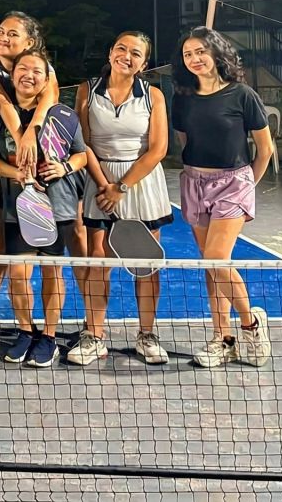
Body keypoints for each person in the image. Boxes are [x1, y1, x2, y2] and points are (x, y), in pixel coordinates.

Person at [0, 49, 102, 367]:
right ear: (13, 75)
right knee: (19, 273)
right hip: (18, 207)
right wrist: (16, 173)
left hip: (58, 206)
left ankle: (48, 336)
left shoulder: (63, 115)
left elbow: (81, 155)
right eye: (23, 68)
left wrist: (64, 168)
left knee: (52, 270)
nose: (29, 75)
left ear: (47, 80)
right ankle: (25, 331)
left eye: (37, 71)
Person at [172, 26, 274, 368]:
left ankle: (250, 324)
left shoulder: (243, 95)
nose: (194, 59)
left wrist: (245, 186)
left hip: (233, 183)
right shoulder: (182, 98)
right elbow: (186, 141)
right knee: (210, 264)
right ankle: (223, 339)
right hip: (195, 182)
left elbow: (265, 149)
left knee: (217, 257)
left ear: (217, 53)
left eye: (200, 51)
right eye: (188, 54)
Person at [70, 30, 172, 366]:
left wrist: (121, 187)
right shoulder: (87, 90)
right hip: (99, 181)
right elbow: (83, 143)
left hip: (141, 184)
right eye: (121, 48)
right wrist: (105, 186)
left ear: (144, 63)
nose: (126, 56)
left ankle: (147, 335)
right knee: (99, 258)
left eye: (135, 53)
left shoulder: (153, 96)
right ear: (110, 52)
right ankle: (94, 335)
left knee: (145, 263)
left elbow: (158, 149)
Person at [0, 12, 59, 346]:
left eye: (12, 33)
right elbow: (2, 103)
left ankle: (83, 329)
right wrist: (22, 140)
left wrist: (33, 132)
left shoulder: (41, 68)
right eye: (0, 31)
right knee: (2, 244)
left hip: (49, 171)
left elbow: (49, 99)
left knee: (60, 251)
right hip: (12, 167)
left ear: (30, 42)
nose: (3, 37)